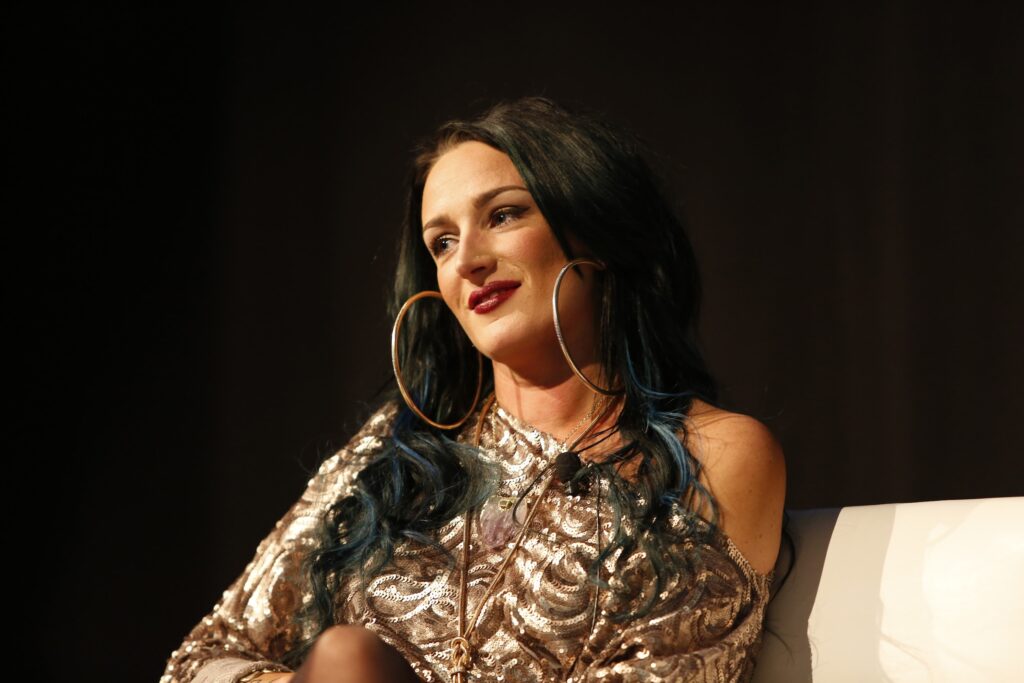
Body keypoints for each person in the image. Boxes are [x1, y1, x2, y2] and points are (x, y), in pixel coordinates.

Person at [160, 95, 787, 683]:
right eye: (443, 242)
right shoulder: (393, 455)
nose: (467, 261)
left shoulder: (713, 454)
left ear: (593, 229)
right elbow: (200, 661)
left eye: (503, 215)